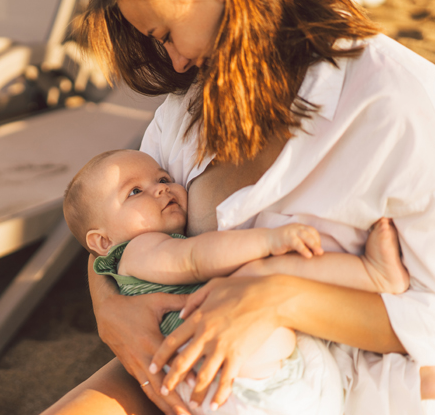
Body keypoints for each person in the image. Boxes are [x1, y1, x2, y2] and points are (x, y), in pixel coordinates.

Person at [43, 0, 435, 414]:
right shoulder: (194, 95)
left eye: (165, 34)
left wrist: (278, 299)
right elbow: (116, 223)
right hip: (190, 363)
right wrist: (109, 307)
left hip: (354, 388)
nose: (174, 59)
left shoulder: (401, 110)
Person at [61, 148, 409, 413]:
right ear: (102, 243)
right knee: (267, 271)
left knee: (263, 277)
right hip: (237, 377)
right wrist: (268, 241)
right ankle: (371, 274)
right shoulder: (138, 250)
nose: (160, 190)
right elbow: (195, 258)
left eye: (164, 179)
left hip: (255, 381)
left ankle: (373, 274)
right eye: (135, 192)